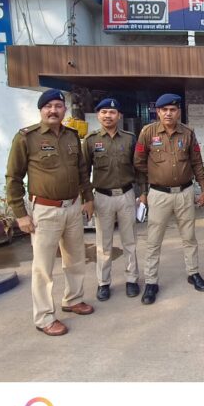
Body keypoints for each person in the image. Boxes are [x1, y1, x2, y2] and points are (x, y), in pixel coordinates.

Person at [6, 89, 95, 337]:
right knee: (43, 267)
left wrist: (88, 198)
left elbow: (82, 172)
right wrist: (20, 214)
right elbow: (13, 177)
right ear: (41, 110)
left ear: (64, 110)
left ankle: (73, 299)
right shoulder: (26, 138)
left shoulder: (72, 136)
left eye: (58, 106)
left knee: (75, 259)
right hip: (45, 211)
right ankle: (44, 317)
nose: (53, 110)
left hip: (73, 207)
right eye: (48, 106)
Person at [133, 93, 204, 305]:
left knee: (189, 237)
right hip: (159, 195)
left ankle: (193, 273)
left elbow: (197, 163)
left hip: (184, 193)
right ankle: (151, 282)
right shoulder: (147, 133)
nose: (168, 113)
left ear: (179, 112)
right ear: (158, 112)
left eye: (172, 110)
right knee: (153, 240)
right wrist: (146, 189)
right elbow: (138, 163)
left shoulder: (188, 133)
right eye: (164, 110)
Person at [83, 98, 143, 301]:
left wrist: (142, 192)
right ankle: (103, 283)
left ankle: (132, 279)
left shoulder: (129, 139)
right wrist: (87, 198)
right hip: (102, 197)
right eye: (104, 112)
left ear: (119, 116)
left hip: (126, 195)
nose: (108, 116)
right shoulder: (90, 140)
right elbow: (84, 172)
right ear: (98, 115)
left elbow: (139, 168)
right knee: (103, 243)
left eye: (112, 112)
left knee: (130, 241)